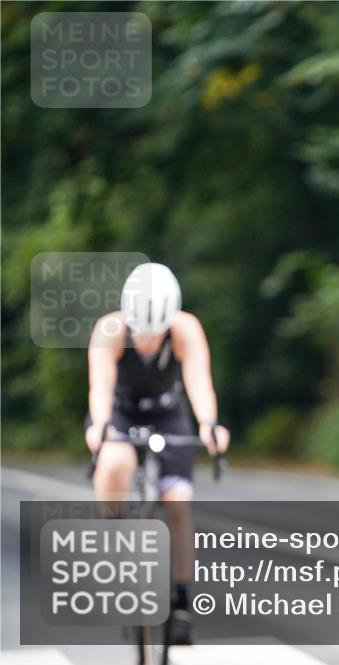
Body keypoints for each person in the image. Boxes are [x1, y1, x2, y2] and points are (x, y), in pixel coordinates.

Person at [85, 262, 231, 645]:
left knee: (179, 502)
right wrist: (101, 429)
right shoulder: (109, 329)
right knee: (115, 462)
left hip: (168, 413)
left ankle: (182, 599)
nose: (148, 339)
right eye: (141, 332)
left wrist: (209, 425)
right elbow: (99, 387)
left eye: (156, 332)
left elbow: (199, 381)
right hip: (120, 410)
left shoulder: (185, 328)